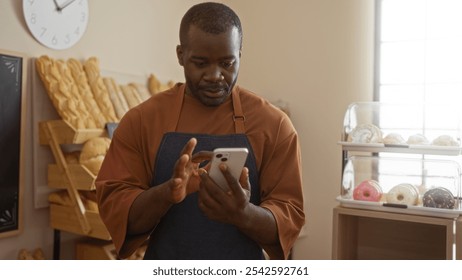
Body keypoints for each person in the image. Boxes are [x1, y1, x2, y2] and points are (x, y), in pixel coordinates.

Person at [95, 2, 304, 260]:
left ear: (240, 55)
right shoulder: (140, 121)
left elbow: (289, 217)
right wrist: (167, 193)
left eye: (227, 63)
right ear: (181, 55)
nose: (215, 75)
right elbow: (115, 209)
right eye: (200, 63)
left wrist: (243, 213)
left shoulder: (275, 125)